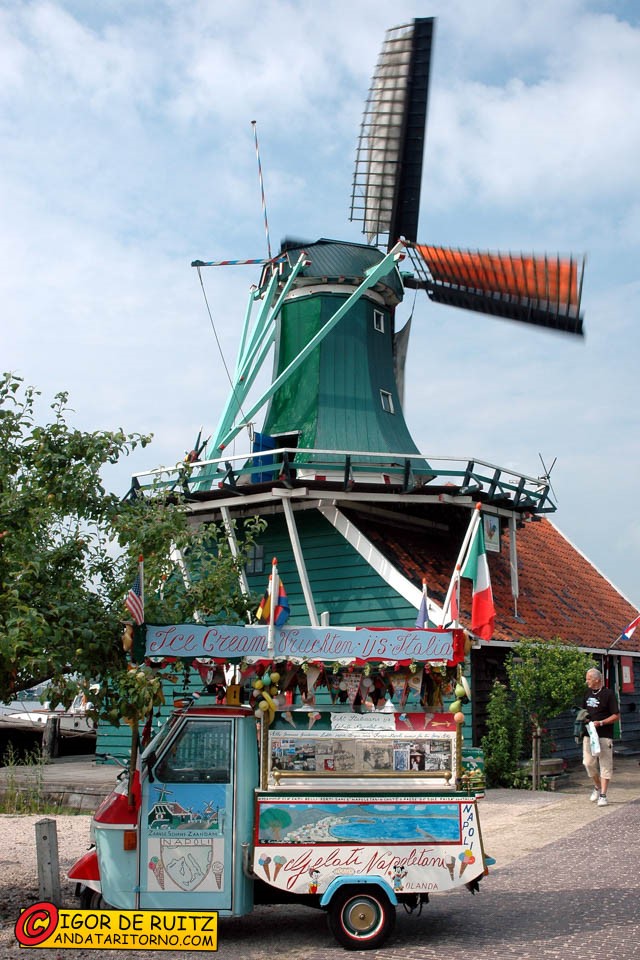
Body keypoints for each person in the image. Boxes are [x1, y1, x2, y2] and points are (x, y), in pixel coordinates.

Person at [581, 667, 620, 807]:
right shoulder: (586, 694)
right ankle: (597, 786)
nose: (587, 681)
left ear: (597, 679)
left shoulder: (608, 694)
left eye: (589, 679)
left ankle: (603, 795)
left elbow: (616, 715)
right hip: (589, 735)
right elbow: (583, 711)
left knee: (605, 765)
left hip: (604, 735)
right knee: (588, 763)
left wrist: (601, 723)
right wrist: (583, 718)